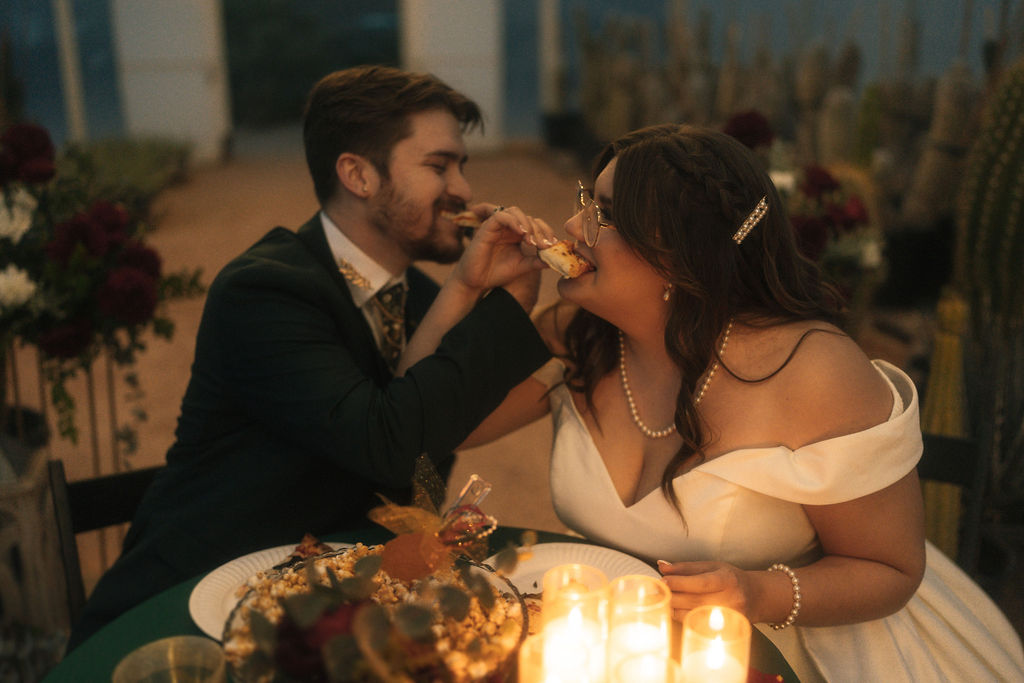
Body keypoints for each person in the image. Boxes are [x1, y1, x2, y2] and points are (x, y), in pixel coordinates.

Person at [464, 123, 1024, 681]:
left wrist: (756, 592)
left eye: (605, 216)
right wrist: (468, 293)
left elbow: (891, 569)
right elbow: (441, 428)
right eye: (589, 202)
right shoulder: (577, 334)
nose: (570, 226)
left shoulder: (814, 370)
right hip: (625, 646)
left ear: (682, 261)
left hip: (794, 651)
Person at [67, 65, 554, 649]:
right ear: (358, 174)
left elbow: (425, 449)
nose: (463, 190)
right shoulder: (265, 292)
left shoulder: (425, 297)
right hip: (191, 611)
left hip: (332, 614)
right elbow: (391, 446)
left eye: (461, 167)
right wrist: (512, 309)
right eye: (438, 165)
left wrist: (470, 295)